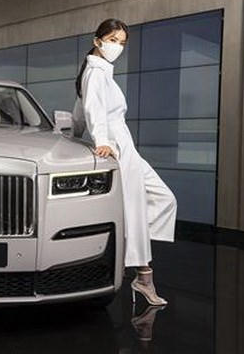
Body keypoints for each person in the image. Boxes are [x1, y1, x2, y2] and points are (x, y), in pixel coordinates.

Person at [72, 18, 177, 305]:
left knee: (164, 199)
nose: (117, 47)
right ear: (97, 41)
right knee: (135, 208)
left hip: (127, 147)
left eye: (122, 43)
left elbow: (79, 111)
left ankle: (124, 243)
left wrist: (73, 134)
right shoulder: (95, 72)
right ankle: (143, 277)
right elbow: (92, 109)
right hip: (116, 146)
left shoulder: (101, 72)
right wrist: (101, 141)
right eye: (112, 40)